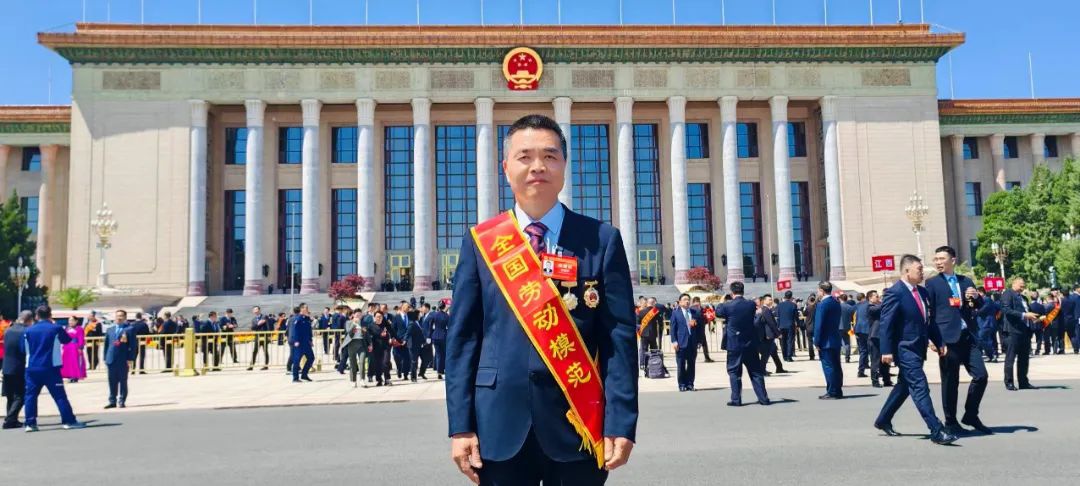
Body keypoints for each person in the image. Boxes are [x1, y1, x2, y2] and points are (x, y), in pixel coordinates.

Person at [446, 114, 637, 485]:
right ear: (506, 168)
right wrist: (460, 426)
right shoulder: (482, 242)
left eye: (550, 156)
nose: (538, 166)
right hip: (497, 425)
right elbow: (464, 339)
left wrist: (621, 422)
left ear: (564, 165)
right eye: (525, 156)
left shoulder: (601, 239)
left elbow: (619, 339)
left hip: (579, 422)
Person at [874, 254, 957, 446]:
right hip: (904, 348)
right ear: (906, 270)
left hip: (919, 347)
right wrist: (886, 350)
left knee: (905, 386)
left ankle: (883, 419)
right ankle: (936, 430)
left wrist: (939, 341)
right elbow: (886, 323)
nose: (922, 272)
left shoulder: (923, 292)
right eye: (919, 269)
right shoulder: (895, 292)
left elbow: (929, 321)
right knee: (920, 386)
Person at [926, 246, 991, 435]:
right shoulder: (932, 283)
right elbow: (929, 313)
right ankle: (951, 422)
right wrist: (932, 339)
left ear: (953, 260)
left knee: (981, 375)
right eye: (936, 259)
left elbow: (975, 306)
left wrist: (976, 297)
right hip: (946, 338)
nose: (938, 262)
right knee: (950, 381)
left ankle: (971, 414)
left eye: (942, 258)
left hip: (967, 336)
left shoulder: (965, 281)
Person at [21, 305, 87, 431]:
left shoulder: (28, 330)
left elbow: (23, 348)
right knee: (59, 396)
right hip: (51, 367)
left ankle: (30, 423)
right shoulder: (56, 328)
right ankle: (68, 421)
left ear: (36, 316)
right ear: (50, 315)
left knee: (30, 396)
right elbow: (66, 340)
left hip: (32, 367)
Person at [719, 282, 770, 406]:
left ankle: (736, 399)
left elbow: (718, 312)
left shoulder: (727, 305)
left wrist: (721, 301)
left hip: (734, 344)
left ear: (732, 292)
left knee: (734, 372)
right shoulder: (750, 304)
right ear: (743, 291)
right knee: (756, 372)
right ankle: (763, 398)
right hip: (750, 343)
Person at [1000, 277, 1039, 390]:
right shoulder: (1008, 294)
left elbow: (1027, 312)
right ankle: (1009, 382)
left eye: (1023, 286)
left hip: (1025, 331)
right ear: (1014, 284)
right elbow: (1006, 310)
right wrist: (1024, 315)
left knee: (1024, 358)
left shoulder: (1024, 298)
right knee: (1010, 358)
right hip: (1012, 331)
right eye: (1021, 285)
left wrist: (1034, 317)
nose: (1022, 288)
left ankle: (1023, 382)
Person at [813, 282, 843, 399]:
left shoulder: (822, 304)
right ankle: (838, 390)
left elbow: (818, 325)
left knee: (828, 367)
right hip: (835, 338)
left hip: (825, 341)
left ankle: (832, 391)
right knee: (836, 366)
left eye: (818, 290)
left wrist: (816, 341)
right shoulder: (836, 302)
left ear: (821, 290)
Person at [2, 311, 32, 429]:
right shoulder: (26, 331)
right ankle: (10, 420)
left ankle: (13, 419)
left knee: (10, 396)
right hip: (19, 366)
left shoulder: (8, 330)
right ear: (29, 320)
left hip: (6, 366)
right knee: (20, 395)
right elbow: (25, 350)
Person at [104, 310, 138, 409]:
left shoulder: (129, 329)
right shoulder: (110, 329)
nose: (119, 318)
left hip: (123, 359)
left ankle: (122, 400)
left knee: (123, 381)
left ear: (125, 318)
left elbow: (133, 346)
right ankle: (112, 401)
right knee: (112, 381)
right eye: (117, 316)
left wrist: (130, 358)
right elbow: (106, 345)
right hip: (111, 359)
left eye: (121, 316)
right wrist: (105, 358)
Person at [670, 293, 700, 392]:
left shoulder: (694, 312)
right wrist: (674, 341)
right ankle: (682, 384)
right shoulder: (675, 313)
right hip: (681, 343)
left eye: (688, 299)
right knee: (681, 364)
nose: (687, 301)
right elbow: (673, 329)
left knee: (691, 364)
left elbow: (700, 328)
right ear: (680, 302)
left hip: (692, 342)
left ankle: (690, 384)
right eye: (685, 299)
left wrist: (699, 341)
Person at [865, 290, 892, 388]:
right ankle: (875, 381)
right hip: (875, 336)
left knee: (885, 359)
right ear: (870, 298)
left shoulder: (879, 306)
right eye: (876, 296)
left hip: (882, 336)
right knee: (875, 360)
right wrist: (887, 300)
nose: (878, 298)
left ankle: (887, 380)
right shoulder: (870, 307)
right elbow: (879, 308)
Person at [755, 294, 786, 375]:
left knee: (773, 351)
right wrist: (778, 333)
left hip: (769, 335)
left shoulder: (766, 309)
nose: (771, 301)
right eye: (769, 299)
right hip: (768, 335)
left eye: (771, 299)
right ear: (764, 301)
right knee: (765, 354)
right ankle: (762, 370)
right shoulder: (766, 310)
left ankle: (779, 367)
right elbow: (771, 323)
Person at [341, 310, 371, 387]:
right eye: (357, 314)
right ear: (353, 315)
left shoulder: (364, 323)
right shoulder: (348, 322)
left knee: (362, 362)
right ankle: (353, 380)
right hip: (352, 343)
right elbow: (348, 332)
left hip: (361, 343)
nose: (358, 316)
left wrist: (370, 344)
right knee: (352, 363)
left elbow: (367, 334)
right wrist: (354, 324)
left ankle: (362, 379)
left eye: (360, 315)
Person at [289, 304, 315, 383]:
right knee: (297, 360)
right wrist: (296, 341)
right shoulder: (296, 318)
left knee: (311, 358)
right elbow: (294, 330)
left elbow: (309, 330)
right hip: (299, 343)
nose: (307, 309)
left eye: (307, 308)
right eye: (306, 308)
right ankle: (295, 377)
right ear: (301, 309)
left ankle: (304, 374)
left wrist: (310, 340)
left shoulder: (306, 319)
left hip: (306, 343)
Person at [637, 297, 662, 371]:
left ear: (647, 303)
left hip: (644, 334)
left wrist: (640, 331)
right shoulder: (656, 311)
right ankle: (654, 363)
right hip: (653, 333)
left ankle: (642, 364)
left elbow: (638, 323)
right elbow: (660, 322)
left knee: (643, 350)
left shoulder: (641, 312)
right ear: (653, 303)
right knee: (654, 349)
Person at [61, 317, 87, 383]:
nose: (70, 322)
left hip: (75, 347)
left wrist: (80, 347)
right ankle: (69, 375)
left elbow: (81, 338)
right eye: (69, 320)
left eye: (72, 320)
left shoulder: (79, 329)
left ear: (76, 321)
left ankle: (75, 376)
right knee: (67, 362)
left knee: (74, 362)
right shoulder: (66, 328)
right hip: (67, 347)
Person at [977, 291, 1001, 362]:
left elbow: (983, 310)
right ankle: (991, 355)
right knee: (988, 339)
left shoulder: (987, 299)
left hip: (987, 323)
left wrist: (975, 311)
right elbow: (998, 308)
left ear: (981, 292)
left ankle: (992, 354)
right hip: (984, 323)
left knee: (984, 338)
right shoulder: (984, 300)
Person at [429, 302, 450, 379]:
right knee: (444, 354)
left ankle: (439, 371)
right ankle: (443, 369)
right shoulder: (446, 316)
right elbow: (449, 326)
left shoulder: (434, 315)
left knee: (438, 355)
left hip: (435, 336)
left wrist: (430, 335)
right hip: (443, 336)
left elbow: (430, 326)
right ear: (444, 307)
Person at [854, 293, 872, 378]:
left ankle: (860, 371)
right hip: (867, 330)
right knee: (873, 351)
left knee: (863, 351)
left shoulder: (858, 306)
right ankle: (875, 371)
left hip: (859, 329)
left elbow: (856, 317)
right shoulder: (869, 305)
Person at [776, 291, 797, 362]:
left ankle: (784, 356)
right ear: (791, 297)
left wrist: (778, 326)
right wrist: (798, 324)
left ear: (784, 296)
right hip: (790, 325)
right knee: (790, 341)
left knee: (783, 341)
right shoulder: (793, 305)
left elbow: (778, 316)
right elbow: (796, 316)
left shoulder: (779, 305)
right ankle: (789, 356)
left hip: (781, 325)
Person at [248, 306, 272, 371]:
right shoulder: (253, 319)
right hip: (257, 337)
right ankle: (251, 366)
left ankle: (266, 366)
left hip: (264, 336)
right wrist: (258, 324)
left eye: (256, 310)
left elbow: (268, 325)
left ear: (259, 310)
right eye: (254, 310)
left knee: (265, 351)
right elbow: (252, 328)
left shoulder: (264, 316)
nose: (255, 311)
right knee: (255, 351)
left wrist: (269, 335)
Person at [406, 309, 426, 382]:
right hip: (413, 345)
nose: (420, 316)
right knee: (414, 361)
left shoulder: (417, 322)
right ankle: (413, 377)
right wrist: (404, 340)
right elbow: (408, 333)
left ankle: (420, 373)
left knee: (424, 359)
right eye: (419, 315)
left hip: (419, 344)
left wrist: (424, 341)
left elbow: (420, 334)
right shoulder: (412, 323)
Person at [838, 294, 856, 363]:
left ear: (840, 299)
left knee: (838, 343)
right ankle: (847, 357)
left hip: (839, 327)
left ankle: (838, 357)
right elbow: (853, 318)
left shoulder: (838, 306)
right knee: (847, 342)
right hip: (847, 327)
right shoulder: (850, 307)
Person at [1066, 283, 1080, 355]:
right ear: (1077, 289)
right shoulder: (1075, 297)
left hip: (1074, 317)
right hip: (1077, 317)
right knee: (1077, 332)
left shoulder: (1071, 297)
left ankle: (1077, 347)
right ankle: (1077, 347)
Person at [804, 295, 817, 361]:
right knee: (818, 341)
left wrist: (806, 306)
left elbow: (804, 314)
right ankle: (821, 354)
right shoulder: (817, 307)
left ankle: (811, 356)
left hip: (809, 326)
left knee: (810, 342)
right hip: (816, 326)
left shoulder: (808, 308)